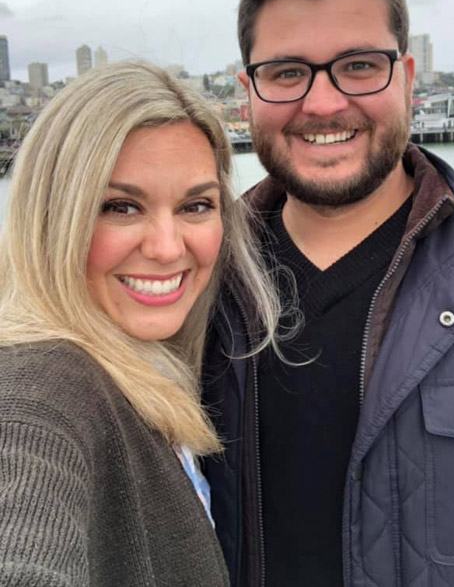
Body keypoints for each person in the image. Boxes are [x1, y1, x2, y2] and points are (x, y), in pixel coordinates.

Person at [203, 0, 454, 587]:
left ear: (407, 77)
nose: (323, 102)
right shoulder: (198, 280)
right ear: (247, 90)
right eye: (287, 72)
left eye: (359, 65)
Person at [0, 61, 283, 586]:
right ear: (52, 218)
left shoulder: (144, 366)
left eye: (196, 205)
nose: (168, 248)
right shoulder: (40, 389)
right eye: (121, 207)